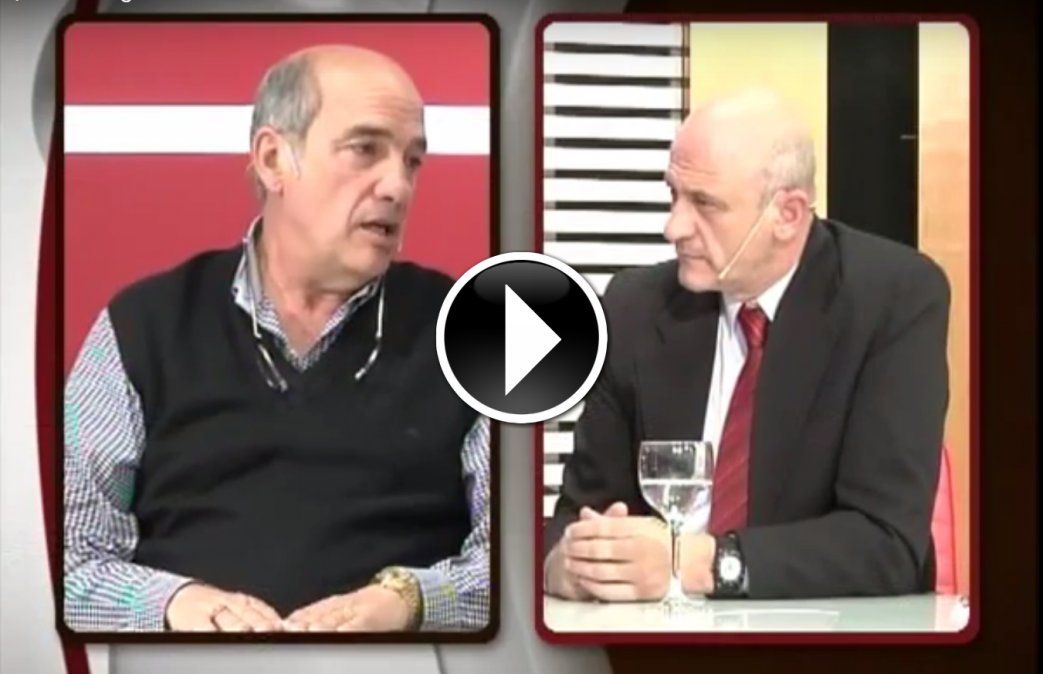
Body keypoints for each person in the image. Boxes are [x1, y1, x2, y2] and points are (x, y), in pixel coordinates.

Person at [63, 45, 489, 632]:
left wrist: (411, 601)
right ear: (273, 160)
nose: (398, 186)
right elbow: (68, 558)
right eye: (365, 149)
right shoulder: (142, 325)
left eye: (412, 161)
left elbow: (514, 559)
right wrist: (175, 605)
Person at [543, 90, 950, 601]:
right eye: (674, 195)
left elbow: (887, 546)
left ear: (788, 214)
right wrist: (569, 565)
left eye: (705, 204)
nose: (674, 227)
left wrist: (700, 563)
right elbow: (579, 514)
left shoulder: (893, 298)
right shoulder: (635, 306)